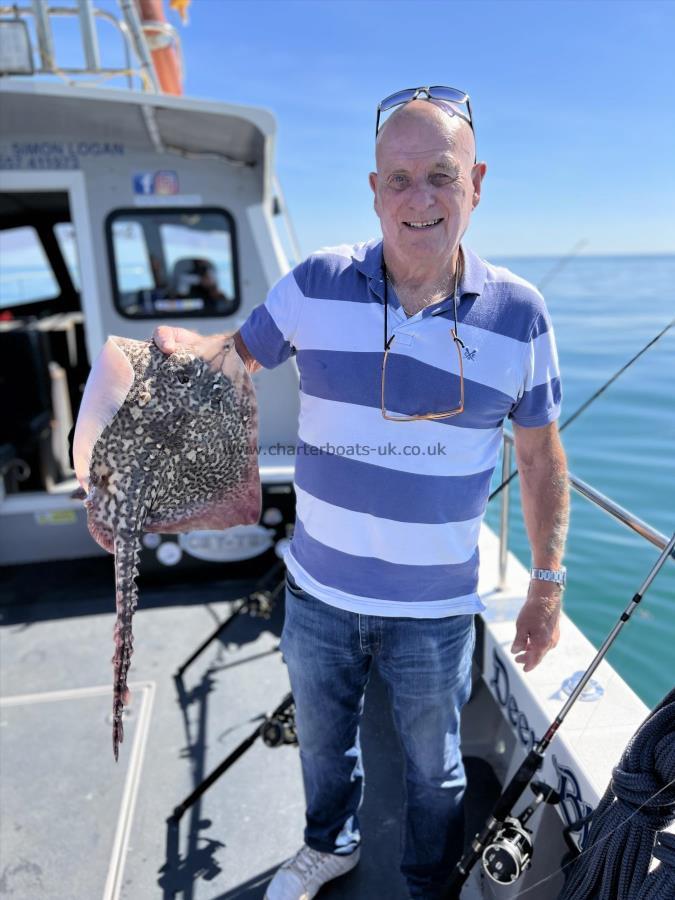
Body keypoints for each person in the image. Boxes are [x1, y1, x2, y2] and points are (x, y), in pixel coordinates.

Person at [153, 86, 569, 900]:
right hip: (316, 591)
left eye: (440, 177)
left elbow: (541, 459)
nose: (420, 199)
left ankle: (426, 882)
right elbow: (231, 358)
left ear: (475, 183)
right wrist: (154, 366)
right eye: (400, 178)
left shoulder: (521, 315)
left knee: (433, 769)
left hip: (436, 610)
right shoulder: (313, 282)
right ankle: (327, 846)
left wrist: (546, 584)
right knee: (320, 743)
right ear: (373, 188)